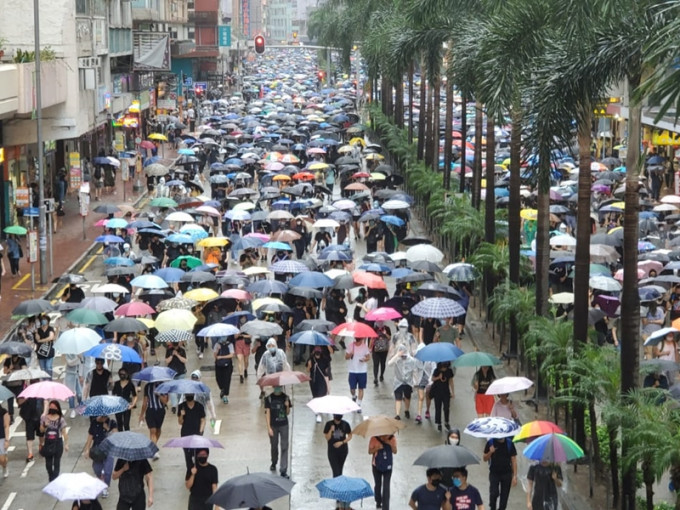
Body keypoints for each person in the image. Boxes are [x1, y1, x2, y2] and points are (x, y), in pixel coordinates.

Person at [84, 414, 118, 499]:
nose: (103, 418)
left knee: (107, 470)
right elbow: (90, 437)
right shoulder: (94, 423)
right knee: (97, 469)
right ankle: (100, 481)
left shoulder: (112, 423)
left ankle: (105, 487)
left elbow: (116, 436)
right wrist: (87, 449)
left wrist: (107, 429)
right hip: (97, 450)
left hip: (109, 450)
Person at [264, 386, 291, 478]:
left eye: (279, 386)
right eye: (276, 386)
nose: (277, 388)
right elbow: (267, 413)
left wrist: (287, 406)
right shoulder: (269, 399)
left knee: (284, 446)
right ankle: (274, 461)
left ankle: (283, 469)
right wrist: (269, 428)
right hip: (273, 425)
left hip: (284, 425)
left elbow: (287, 413)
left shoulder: (286, 397)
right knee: (274, 446)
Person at [483, 437, 517, 510]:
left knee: (504, 499)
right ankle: (492, 507)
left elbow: (513, 460)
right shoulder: (490, 442)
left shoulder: (509, 443)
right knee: (494, 493)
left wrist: (514, 476)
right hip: (494, 473)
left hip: (507, 474)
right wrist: (490, 452)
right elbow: (485, 458)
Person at [40, 400, 69, 481]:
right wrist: (44, 425)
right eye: (51, 407)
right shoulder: (44, 418)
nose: (52, 409)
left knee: (57, 463)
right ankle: (51, 476)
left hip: (58, 443)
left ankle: (54, 479)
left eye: (54, 407)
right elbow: (41, 430)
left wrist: (66, 444)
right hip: (48, 442)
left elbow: (64, 433)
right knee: (48, 464)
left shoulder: (61, 419)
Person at [140, 381, 168, 458]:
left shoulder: (164, 386)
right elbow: (145, 401)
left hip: (160, 411)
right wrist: (142, 415)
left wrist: (159, 394)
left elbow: (165, 401)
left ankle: (152, 445)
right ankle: (154, 451)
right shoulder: (147, 386)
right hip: (150, 411)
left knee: (158, 430)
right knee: (153, 431)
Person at [178, 393, 206, 469]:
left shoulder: (199, 406)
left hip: (196, 433)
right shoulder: (182, 406)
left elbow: (203, 420)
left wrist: (200, 432)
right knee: (188, 455)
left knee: (197, 454)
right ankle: (189, 471)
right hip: (185, 434)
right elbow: (180, 422)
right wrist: (181, 415)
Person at [388, 344, 416, 420]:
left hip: (408, 382)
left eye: (404, 356)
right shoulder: (397, 359)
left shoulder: (411, 360)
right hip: (398, 381)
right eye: (402, 356)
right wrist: (397, 355)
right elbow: (389, 364)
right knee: (398, 398)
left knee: (407, 397)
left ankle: (406, 410)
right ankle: (397, 414)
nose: (403, 357)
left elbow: (415, 370)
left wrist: (415, 381)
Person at [369, 434, 397, 510]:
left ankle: (385, 507)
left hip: (388, 467)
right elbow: (370, 451)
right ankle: (378, 501)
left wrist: (389, 443)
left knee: (386, 487)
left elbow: (395, 451)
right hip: (376, 466)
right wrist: (377, 448)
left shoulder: (392, 438)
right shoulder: (374, 438)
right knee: (378, 485)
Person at [345, 336, 371, 412]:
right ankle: (353, 396)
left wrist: (364, 359)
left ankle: (358, 405)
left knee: (361, 388)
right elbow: (346, 357)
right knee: (352, 388)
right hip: (352, 370)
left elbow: (368, 357)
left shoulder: (365, 347)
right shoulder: (350, 346)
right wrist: (350, 354)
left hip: (362, 371)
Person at [307, 346, 330, 422]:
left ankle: (320, 411)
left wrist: (328, 383)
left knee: (321, 395)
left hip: (322, 381)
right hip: (313, 381)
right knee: (315, 397)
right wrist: (309, 366)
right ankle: (317, 413)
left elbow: (326, 372)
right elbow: (307, 370)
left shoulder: (325, 360)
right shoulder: (310, 360)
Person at [430, 362, 455, 431]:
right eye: (442, 368)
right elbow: (432, 379)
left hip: (446, 392)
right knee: (438, 407)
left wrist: (453, 392)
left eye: (445, 368)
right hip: (437, 392)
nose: (444, 369)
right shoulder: (436, 370)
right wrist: (438, 377)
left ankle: (446, 421)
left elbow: (451, 381)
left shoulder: (449, 371)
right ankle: (439, 423)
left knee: (446, 407)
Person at [3, 353, 27, 423]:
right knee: (10, 401)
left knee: (20, 400)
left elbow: (24, 370)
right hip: (9, 384)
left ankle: (24, 413)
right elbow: (5, 371)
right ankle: (11, 416)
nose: (14, 358)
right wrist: (9, 369)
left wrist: (15, 371)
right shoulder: (8, 360)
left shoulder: (22, 360)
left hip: (19, 384)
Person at [213, 336, 235, 404]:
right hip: (219, 365)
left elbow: (232, 355)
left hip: (228, 365)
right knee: (218, 379)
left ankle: (225, 395)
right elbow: (215, 355)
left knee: (227, 380)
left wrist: (222, 357)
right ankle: (222, 389)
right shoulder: (217, 344)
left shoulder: (230, 345)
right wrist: (217, 350)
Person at [371, 321, 391, 385]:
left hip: (384, 350)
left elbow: (389, 338)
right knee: (375, 364)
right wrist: (370, 347)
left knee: (383, 363)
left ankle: (381, 375)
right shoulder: (374, 329)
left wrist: (385, 333)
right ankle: (375, 378)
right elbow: (371, 339)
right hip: (375, 349)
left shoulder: (387, 328)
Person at [0, 401, 9, 478]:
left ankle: (4, 467)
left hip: (1, 437)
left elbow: (6, 426)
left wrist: (6, 440)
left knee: (2, 459)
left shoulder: (4, 412)